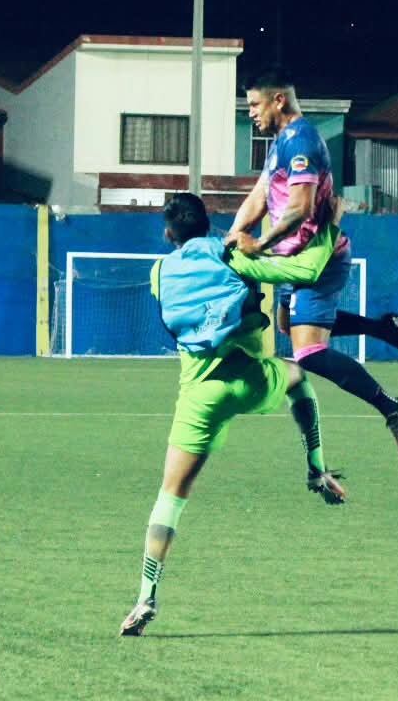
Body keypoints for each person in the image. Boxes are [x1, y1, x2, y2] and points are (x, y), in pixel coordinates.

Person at [120, 193, 346, 638]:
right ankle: (316, 469)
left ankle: (146, 596)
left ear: (169, 234)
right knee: (298, 378)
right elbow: (305, 272)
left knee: (170, 496)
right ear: (208, 223)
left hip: (199, 397)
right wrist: (328, 228)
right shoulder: (233, 257)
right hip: (249, 381)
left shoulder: (159, 272)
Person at [226, 66, 398, 459]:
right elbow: (259, 196)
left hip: (317, 260)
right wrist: (234, 234)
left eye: (255, 105)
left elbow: (301, 207)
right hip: (291, 258)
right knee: (286, 324)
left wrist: (259, 243)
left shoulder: (302, 142)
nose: (251, 113)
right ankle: (382, 327)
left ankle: (394, 409)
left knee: (308, 352)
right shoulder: (280, 143)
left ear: (279, 100)